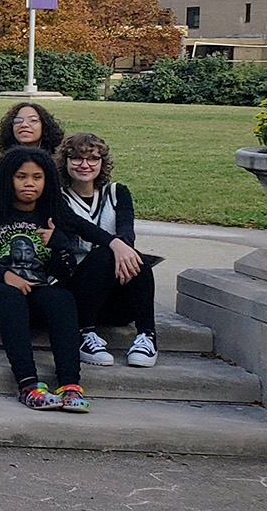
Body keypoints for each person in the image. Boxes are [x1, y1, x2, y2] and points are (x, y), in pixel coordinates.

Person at [0, 146, 139, 412]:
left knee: (61, 298)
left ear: (47, 180)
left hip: (35, 292)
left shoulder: (52, 213)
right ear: (8, 179)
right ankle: (28, 385)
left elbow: (87, 233)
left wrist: (108, 244)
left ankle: (70, 386)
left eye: (37, 177)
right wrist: (3, 274)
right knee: (10, 297)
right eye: (21, 177)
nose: (30, 183)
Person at [56, 133, 157, 368]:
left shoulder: (117, 192)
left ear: (102, 162)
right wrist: (115, 245)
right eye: (76, 158)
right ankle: (85, 334)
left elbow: (126, 230)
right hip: (75, 290)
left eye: (92, 158)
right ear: (65, 161)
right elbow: (80, 226)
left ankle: (147, 336)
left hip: (114, 297)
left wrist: (122, 246)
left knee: (135, 258)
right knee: (105, 253)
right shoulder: (57, 198)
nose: (85, 165)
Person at [0, 102, 65, 157]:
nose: (24, 125)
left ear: (44, 125)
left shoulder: (59, 161)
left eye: (33, 120)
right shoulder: (7, 161)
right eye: (18, 121)